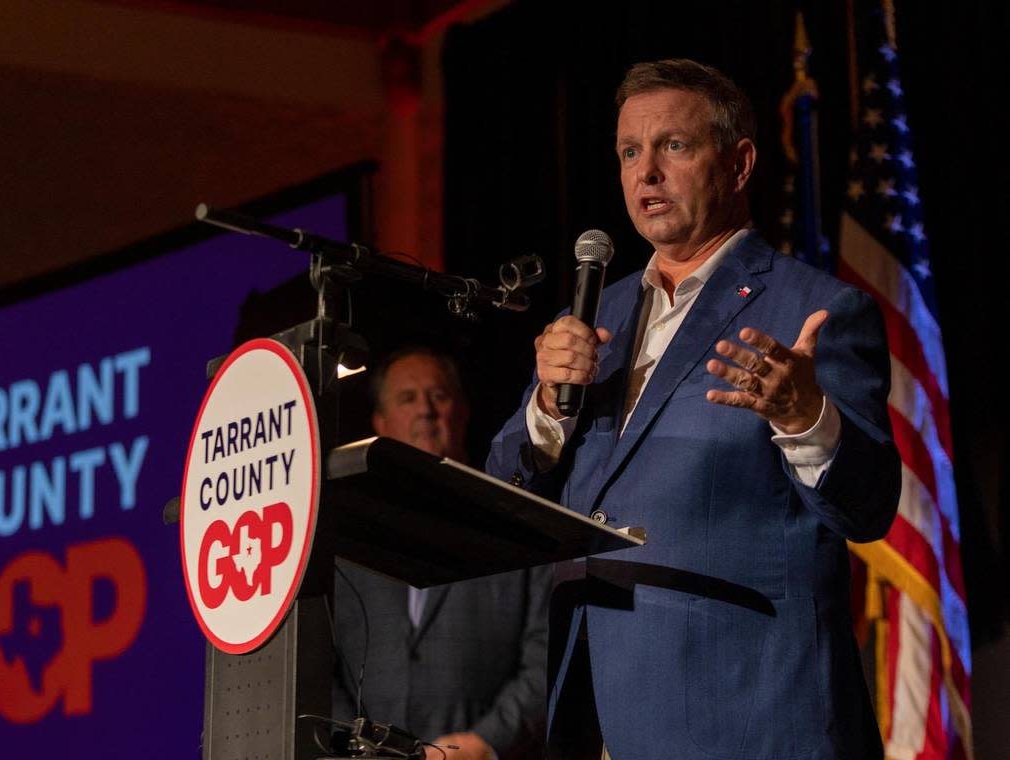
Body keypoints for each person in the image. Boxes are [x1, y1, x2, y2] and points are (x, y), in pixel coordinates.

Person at [487, 59, 900, 760]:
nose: (645, 172)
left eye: (673, 146)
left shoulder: (814, 310)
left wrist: (806, 417)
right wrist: (547, 414)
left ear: (739, 165)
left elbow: (869, 506)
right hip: (597, 716)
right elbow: (503, 490)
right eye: (628, 152)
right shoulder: (590, 316)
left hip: (750, 717)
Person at [333, 347, 550, 760]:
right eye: (407, 398)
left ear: (463, 411)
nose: (426, 411)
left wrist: (487, 742)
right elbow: (321, 659)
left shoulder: (517, 523)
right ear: (379, 423)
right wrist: (352, 746)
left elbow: (545, 651)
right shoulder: (349, 540)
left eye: (439, 395)